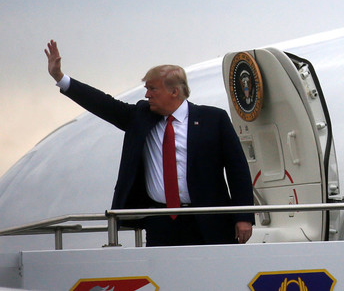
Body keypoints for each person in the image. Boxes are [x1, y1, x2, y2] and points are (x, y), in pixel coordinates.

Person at [45, 40, 254, 246]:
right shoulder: (141, 117)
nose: (147, 95)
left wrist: (243, 216)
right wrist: (61, 79)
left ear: (174, 92)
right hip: (161, 221)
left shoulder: (213, 119)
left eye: (153, 89)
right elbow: (103, 104)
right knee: (164, 278)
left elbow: (237, 169)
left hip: (208, 220)